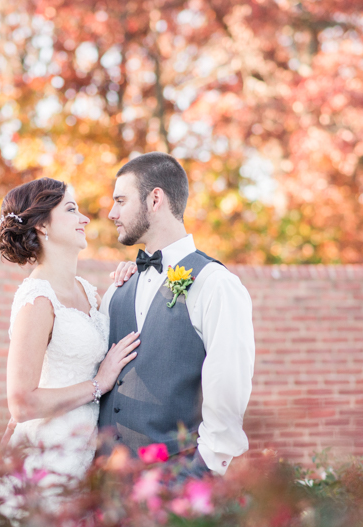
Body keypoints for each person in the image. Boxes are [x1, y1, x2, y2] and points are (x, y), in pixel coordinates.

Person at [98, 152, 255, 480]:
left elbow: (228, 391)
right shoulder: (117, 288)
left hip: (177, 486)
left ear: (155, 199)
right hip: (108, 493)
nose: (112, 213)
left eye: (121, 200)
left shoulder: (216, 285)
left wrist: (202, 470)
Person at [0, 178, 139, 522]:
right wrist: (97, 386)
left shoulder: (88, 292)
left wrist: (124, 281)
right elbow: (21, 402)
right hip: (47, 461)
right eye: (72, 209)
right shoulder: (36, 299)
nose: (85, 218)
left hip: (86, 455)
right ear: (42, 225)